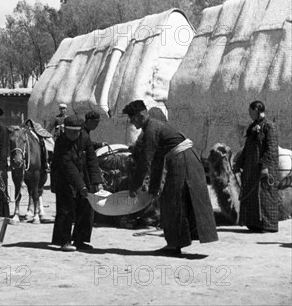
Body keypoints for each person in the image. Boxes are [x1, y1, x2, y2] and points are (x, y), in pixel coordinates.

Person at [124, 100, 218, 255]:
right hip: (186, 158)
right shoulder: (153, 127)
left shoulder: (151, 130)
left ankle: (174, 245)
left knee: (171, 200)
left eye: (132, 118)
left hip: (183, 160)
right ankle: (177, 242)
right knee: (174, 199)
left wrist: (134, 186)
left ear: (141, 115)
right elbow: (157, 161)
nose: (131, 123)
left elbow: (145, 162)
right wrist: (153, 188)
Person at [51, 116, 103, 252]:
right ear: (65, 131)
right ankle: (64, 241)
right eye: (71, 132)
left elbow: (92, 160)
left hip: (82, 175)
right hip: (64, 178)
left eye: (76, 132)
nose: (74, 135)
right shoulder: (61, 141)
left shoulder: (84, 138)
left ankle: (80, 240)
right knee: (65, 210)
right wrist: (81, 187)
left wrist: (97, 182)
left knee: (86, 209)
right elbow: (67, 165)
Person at [233, 101, 280, 233]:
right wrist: (238, 164)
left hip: (263, 170)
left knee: (264, 196)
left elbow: (271, 149)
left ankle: (266, 225)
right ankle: (253, 223)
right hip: (250, 170)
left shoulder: (269, 127)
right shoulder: (253, 126)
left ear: (256, 110)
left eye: (250, 111)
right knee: (251, 197)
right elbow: (247, 148)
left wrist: (265, 166)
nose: (249, 113)